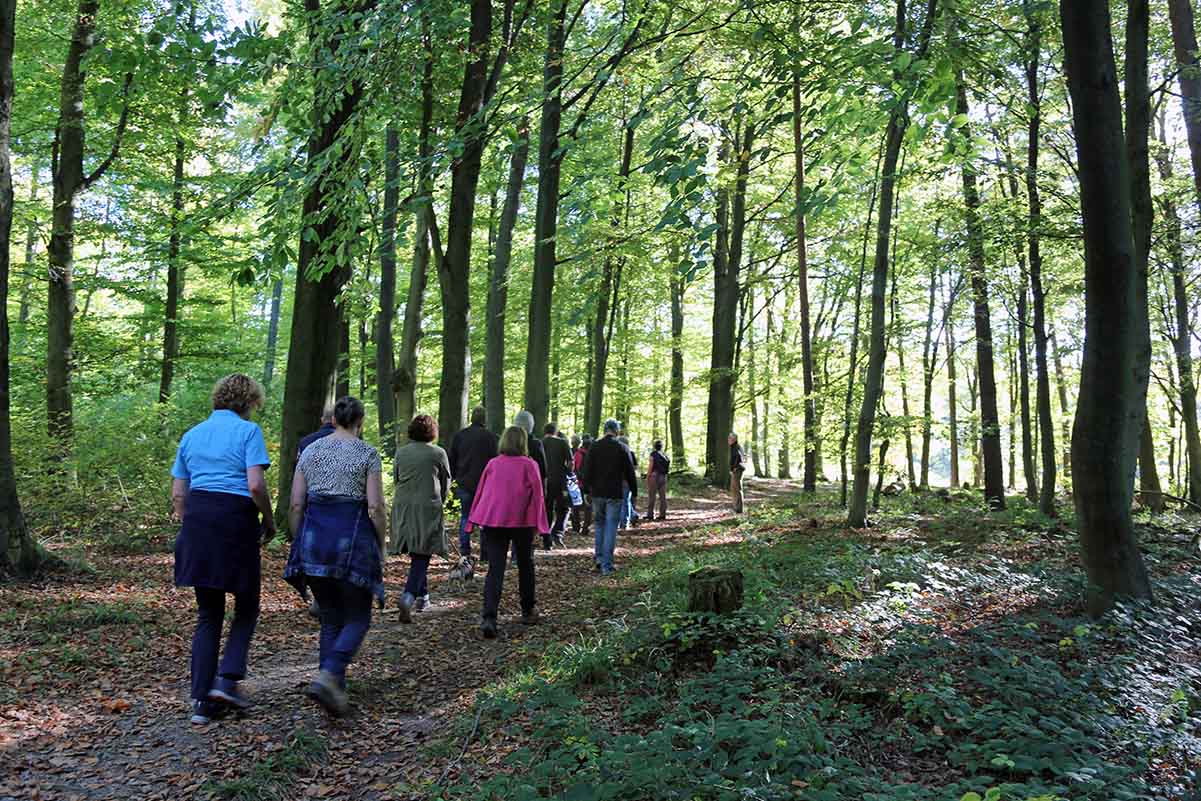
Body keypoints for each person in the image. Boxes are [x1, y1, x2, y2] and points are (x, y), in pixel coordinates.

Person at [170, 374, 274, 725]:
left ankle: (201, 702)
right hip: (235, 519)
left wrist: (191, 524)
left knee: (208, 612)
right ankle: (227, 679)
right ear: (250, 402)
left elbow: (178, 495)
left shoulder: (191, 435)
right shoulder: (248, 432)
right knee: (247, 603)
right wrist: (269, 520)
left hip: (198, 519)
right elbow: (256, 484)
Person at [284, 396, 387, 716]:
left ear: (333, 420)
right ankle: (330, 674)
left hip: (314, 541)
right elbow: (375, 507)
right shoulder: (367, 453)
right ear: (361, 421)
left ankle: (332, 687)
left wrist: (299, 539)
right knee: (358, 617)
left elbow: (296, 504)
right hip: (351, 542)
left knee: (330, 616)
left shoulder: (310, 451)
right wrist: (381, 545)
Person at [467, 426, 549, 639]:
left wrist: (472, 520)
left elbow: (481, 492)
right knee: (525, 564)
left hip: (494, 522)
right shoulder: (530, 465)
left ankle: (489, 617)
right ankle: (528, 610)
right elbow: (538, 496)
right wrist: (541, 526)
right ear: (523, 443)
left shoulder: (493, 464)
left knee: (495, 569)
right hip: (521, 522)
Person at [389, 415, 451, 622]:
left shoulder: (401, 452)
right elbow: (445, 483)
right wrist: (439, 501)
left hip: (403, 506)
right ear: (432, 432)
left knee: (417, 552)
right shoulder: (438, 453)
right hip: (427, 506)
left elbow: (397, 478)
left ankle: (423, 596)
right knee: (422, 553)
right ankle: (408, 596)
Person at [582, 420, 637, 576]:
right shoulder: (622, 448)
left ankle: (599, 558)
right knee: (611, 526)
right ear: (617, 431)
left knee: (599, 524)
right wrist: (634, 493)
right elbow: (630, 472)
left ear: (604, 430)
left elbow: (587, 470)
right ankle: (607, 564)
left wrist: (586, 491)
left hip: (597, 493)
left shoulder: (594, 446)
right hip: (614, 493)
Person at [447, 406, 498, 559]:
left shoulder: (460, 436)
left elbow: (452, 460)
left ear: (471, 418)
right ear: (485, 420)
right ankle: (485, 553)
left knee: (465, 516)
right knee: (484, 518)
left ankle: (465, 550)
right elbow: (496, 461)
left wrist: (454, 479)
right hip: (486, 484)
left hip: (464, 483)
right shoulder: (491, 437)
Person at [541, 423, 573, 549]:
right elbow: (571, 463)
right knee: (564, 508)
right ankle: (557, 533)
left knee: (547, 509)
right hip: (560, 482)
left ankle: (546, 538)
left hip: (544, 481)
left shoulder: (540, 443)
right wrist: (567, 471)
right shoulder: (563, 443)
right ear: (556, 431)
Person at [571, 434, 593, 537]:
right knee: (588, 507)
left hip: (578, 483)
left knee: (575, 506)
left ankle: (576, 527)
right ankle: (585, 528)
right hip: (589, 485)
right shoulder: (593, 454)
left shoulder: (577, 454)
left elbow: (574, 468)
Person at [617, 435, 640, 530]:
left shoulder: (616, 453)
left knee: (620, 501)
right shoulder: (631, 453)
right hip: (627, 480)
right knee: (626, 501)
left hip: (619, 480)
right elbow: (634, 468)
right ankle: (628, 518)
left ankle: (624, 521)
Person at [647, 440, 670, 520]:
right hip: (663, 476)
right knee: (663, 497)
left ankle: (650, 514)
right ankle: (662, 514)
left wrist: (648, 476)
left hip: (654, 476)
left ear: (654, 446)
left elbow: (651, 465)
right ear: (661, 446)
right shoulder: (665, 455)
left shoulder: (653, 454)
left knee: (652, 495)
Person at [729, 433, 746, 513]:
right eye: (729, 438)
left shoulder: (736, 447)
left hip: (738, 470)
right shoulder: (734, 447)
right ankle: (736, 507)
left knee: (737, 488)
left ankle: (739, 509)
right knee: (734, 488)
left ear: (734, 439)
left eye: (730, 438)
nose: (728, 440)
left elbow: (739, 457)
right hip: (736, 469)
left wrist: (735, 467)